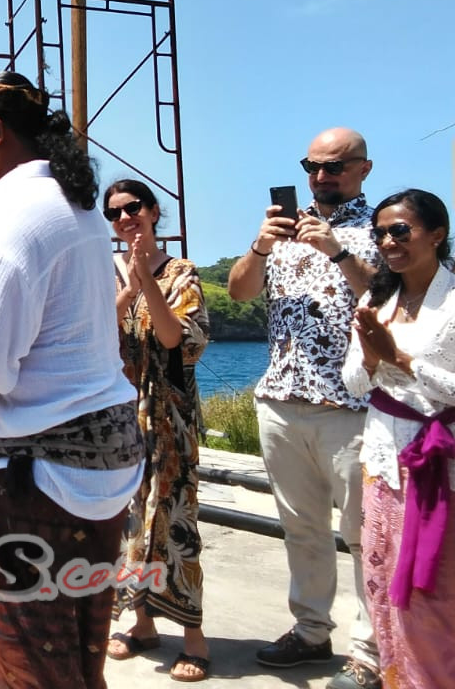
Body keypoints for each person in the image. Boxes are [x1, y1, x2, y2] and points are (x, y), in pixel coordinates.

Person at [0, 71, 142, 689]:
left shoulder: (12, 211)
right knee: (78, 644)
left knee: (26, 667)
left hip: (41, 481)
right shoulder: (76, 206)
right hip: (102, 469)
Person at [226, 127, 380, 689]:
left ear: (363, 169)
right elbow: (241, 292)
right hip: (281, 399)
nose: (321, 177)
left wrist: (336, 251)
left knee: (367, 534)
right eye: (312, 166)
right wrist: (262, 245)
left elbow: (385, 298)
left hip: (352, 405)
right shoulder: (282, 232)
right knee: (302, 529)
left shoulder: (382, 228)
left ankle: (371, 649)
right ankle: (312, 631)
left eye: (335, 167)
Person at [343, 189, 455, 688]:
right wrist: (370, 359)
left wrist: (401, 360)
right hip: (383, 462)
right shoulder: (377, 298)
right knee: (384, 586)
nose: (388, 241)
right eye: (381, 232)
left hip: (440, 467)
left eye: (401, 231)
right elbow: (352, 383)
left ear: (437, 234)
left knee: (434, 595)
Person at [102, 179, 212, 683]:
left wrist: (146, 277)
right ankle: (141, 622)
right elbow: (100, 338)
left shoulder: (182, 273)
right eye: (114, 213)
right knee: (131, 522)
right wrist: (127, 288)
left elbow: (177, 341)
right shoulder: (110, 274)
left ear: (152, 211)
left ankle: (193, 635)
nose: (124, 219)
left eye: (132, 208)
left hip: (171, 418)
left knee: (177, 521)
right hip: (126, 417)